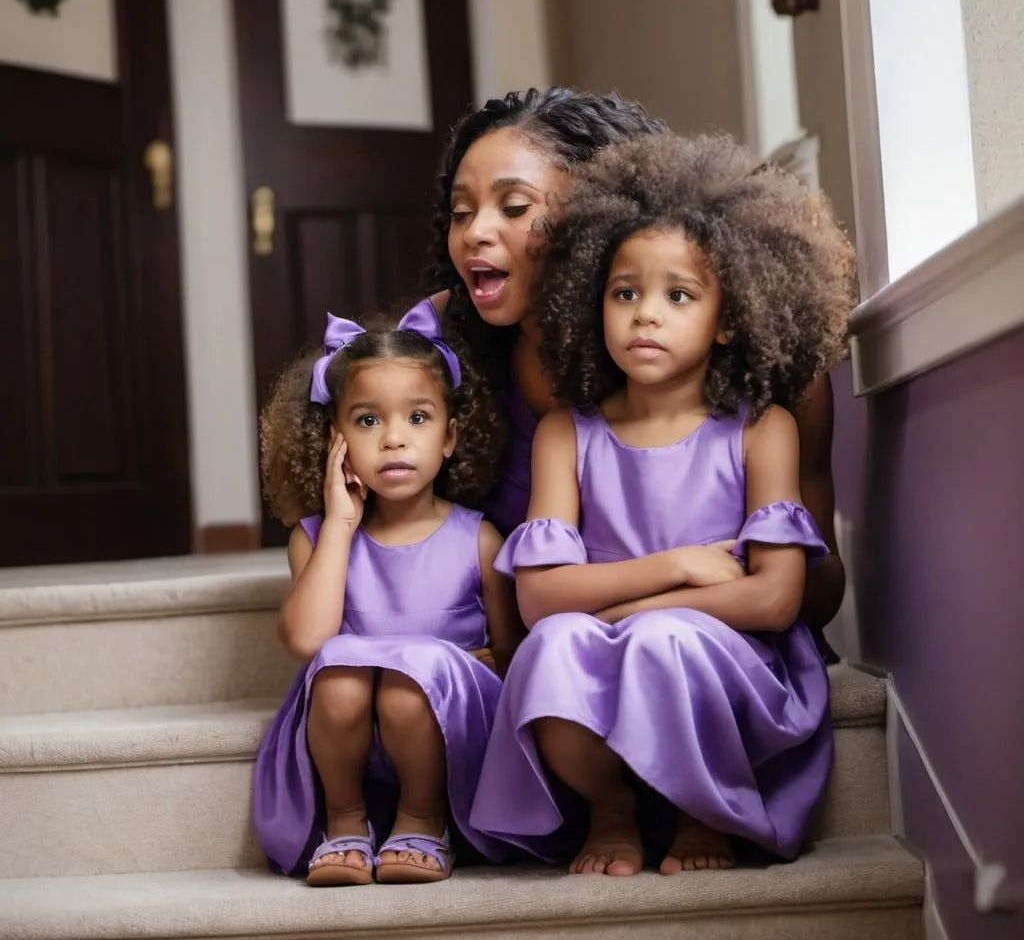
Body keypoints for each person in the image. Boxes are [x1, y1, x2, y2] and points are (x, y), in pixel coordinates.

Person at [468, 132, 858, 876]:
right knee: (552, 653)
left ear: (731, 317)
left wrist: (621, 616)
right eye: (625, 293)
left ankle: (699, 810)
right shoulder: (567, 434)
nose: (646, 314)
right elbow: (544, 601)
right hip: (611, 641)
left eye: (678, 295)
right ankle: (611, 808)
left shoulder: (758, 429)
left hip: (730, 663)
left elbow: (775, 601)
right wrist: (677, 566)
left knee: (664, 642)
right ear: (593, 300)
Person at [424, 87, 848, 638]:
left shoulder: (768, 370)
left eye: (514, 207)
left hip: (720, 646)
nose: (476, 231)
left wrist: (664, 607)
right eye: (461, 211)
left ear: (600, 209)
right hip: (556, 643)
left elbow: (816, 587)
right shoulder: (441, 339)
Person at [252, 299, 522, 885]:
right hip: (352, 729)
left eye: (417, 419)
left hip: (446, 731)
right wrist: (342, 524)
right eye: (368, 421)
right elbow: (306, 638)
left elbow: (512, 658)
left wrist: (452, 666)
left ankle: (424, 820)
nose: (394, 439)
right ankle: (345, 821)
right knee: (339, 669)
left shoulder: (478, 538)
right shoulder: (318, 540)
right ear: (336, 440)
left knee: (408, 684)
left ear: (450, 437)